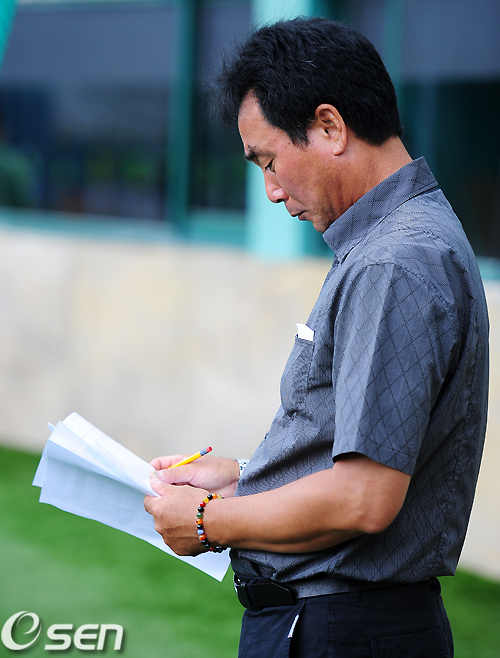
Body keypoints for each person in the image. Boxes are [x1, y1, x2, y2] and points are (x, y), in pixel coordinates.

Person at [144, 17, 489, 658]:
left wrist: (208, 520)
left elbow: (365, 498)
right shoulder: (397, 242)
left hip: (343, 631)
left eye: (269, 161)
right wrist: (247, 479)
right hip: (350, 626)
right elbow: (359, 460)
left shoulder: (393, 261)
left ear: (330, 127)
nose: (272, 192)